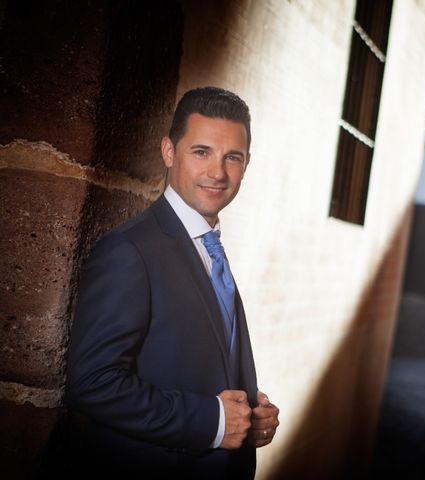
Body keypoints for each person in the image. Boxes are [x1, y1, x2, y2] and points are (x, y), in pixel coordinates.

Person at [63, 87, 279, 479]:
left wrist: (250, 414)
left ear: (247, 163)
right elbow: (92, 383)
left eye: (232, 157)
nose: (218, 172)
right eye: (201, 152)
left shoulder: (210, 246)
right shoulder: (129, 250)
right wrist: (211, 421)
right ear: (168, 152)